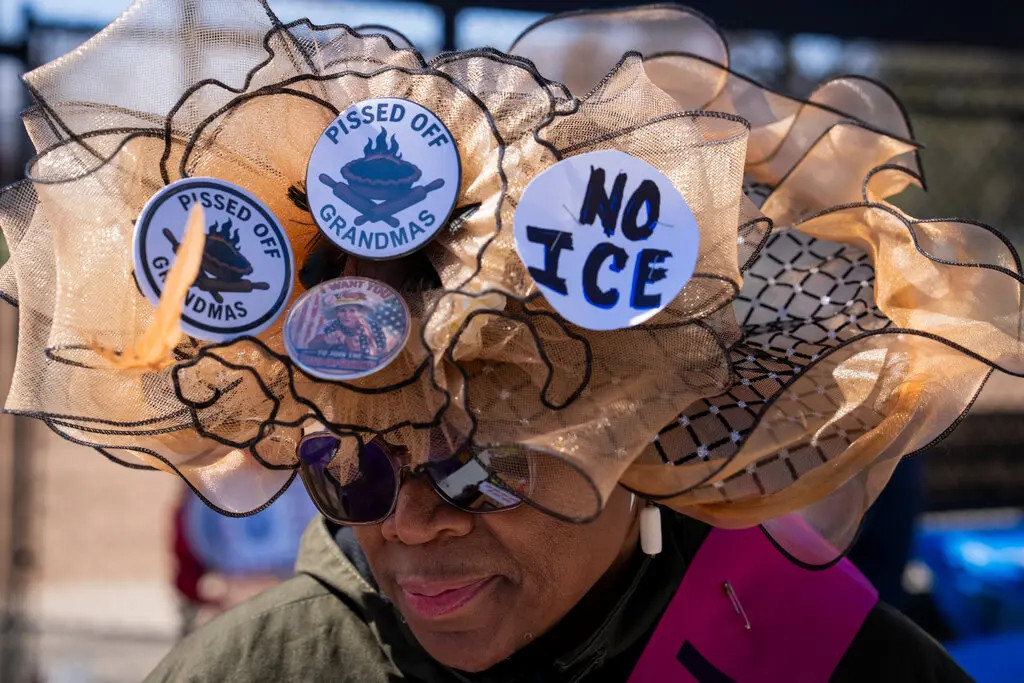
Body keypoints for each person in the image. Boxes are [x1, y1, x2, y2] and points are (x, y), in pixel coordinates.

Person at [2, 2, 1018, 682]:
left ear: (640, 435)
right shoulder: (255, 668)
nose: (408, 524)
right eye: (350, 463)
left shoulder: (825, 661)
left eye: (482, 467)